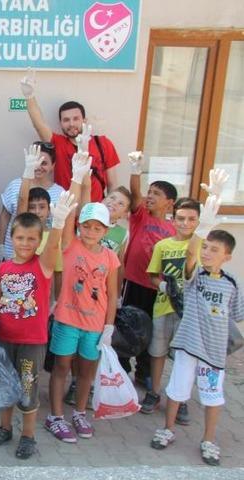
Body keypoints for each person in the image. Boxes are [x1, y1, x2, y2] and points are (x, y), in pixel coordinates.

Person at [0, 188, 73, 459]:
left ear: (39, 240)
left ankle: (28, 436)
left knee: (28, 389)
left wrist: (57, 224)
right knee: (6, 386)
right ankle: (5, 427)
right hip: (5, 339)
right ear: (12, 237)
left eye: (31, 239)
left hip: (32, 343)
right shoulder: (3, 268)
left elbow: (54, 245)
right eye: (20, 237)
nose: (24, 243)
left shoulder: (42, 265)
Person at [150, 194, 241, 466]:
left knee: (213, 396)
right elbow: (190, 256)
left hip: (213, 353)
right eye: (206, 247)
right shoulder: (194, 275)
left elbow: (236, 315)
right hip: (188, 346)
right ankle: (168, 429)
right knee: (177, 390)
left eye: (215, 249)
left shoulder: (232, 283)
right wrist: (201, 231)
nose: (207, 253)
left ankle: (209, 439)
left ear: (228, 256)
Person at [45, 155, 119, 444]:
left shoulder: (110, 257)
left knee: (86, 370)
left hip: (95, 324)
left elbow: (113, 294)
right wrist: (77, 179)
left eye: (97, 227)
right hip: (67, 318)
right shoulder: (70, 244)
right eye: (86, 225)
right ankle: (56, 415)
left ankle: (79, 412)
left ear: (106, 230)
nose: (90, 231)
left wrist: (109, 326)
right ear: (79, 226)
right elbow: (68, 214)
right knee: (61, 366)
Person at [141, 197, 201, 419]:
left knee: (184, 357)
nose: (185, 223)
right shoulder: (162, 245)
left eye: (191, 219)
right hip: (163, 308)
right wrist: (163, 285)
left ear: (198, 221)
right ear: (173, 220)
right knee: (158, 353)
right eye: (181, 218)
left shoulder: (200, 245)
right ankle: (154, 392)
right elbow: (152, 275)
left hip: (189, 313)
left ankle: (180, 398)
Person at [20, 68, 120, 201]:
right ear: (60, 123)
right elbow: (39, 124)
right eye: (66, 120)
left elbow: (113, 184)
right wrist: (29, 96)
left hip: (93, 213)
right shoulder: (58, 143)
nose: (71, 124)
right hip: (65, 211)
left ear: (84, 120)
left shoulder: (103, 143)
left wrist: (107, 212)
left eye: (76, 119)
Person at [121, 151, 177, 388]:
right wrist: (136, 171)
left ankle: (143, 371)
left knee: (151, 331)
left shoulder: (173, 228)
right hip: (132, 282)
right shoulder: (141, 216)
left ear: (170, 202)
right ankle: (122, 366)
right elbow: (135, 194)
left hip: (156, 287)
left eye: (157, 194)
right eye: (150, 192)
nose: (150, 196)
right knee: (127, 324)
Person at [0, 141, 65, 261]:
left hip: (44, 257)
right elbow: (5, 216)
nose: (38, 167)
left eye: (44, 163)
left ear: (53, 165)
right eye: (35, 161)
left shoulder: (60, 193)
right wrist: (0, 245)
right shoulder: (15, 185)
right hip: (11, 253)